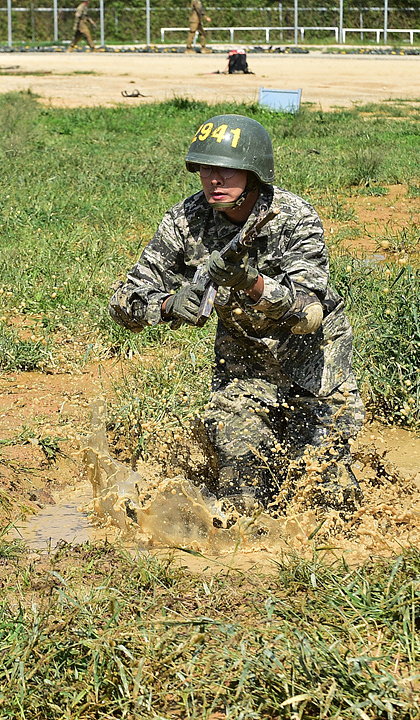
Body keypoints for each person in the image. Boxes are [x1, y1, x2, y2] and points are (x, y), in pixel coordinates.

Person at [108, 115, 364, 518]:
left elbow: (308, 313)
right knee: (240, 486)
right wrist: (166, 304)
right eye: (206, 168)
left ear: (254, 172)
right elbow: (122, 300)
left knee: (326, 494)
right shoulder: (185, 220)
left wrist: (252, 283)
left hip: (316, 363)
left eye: (227, 169)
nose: (214, 179)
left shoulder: (293, 217)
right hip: (244, 366)